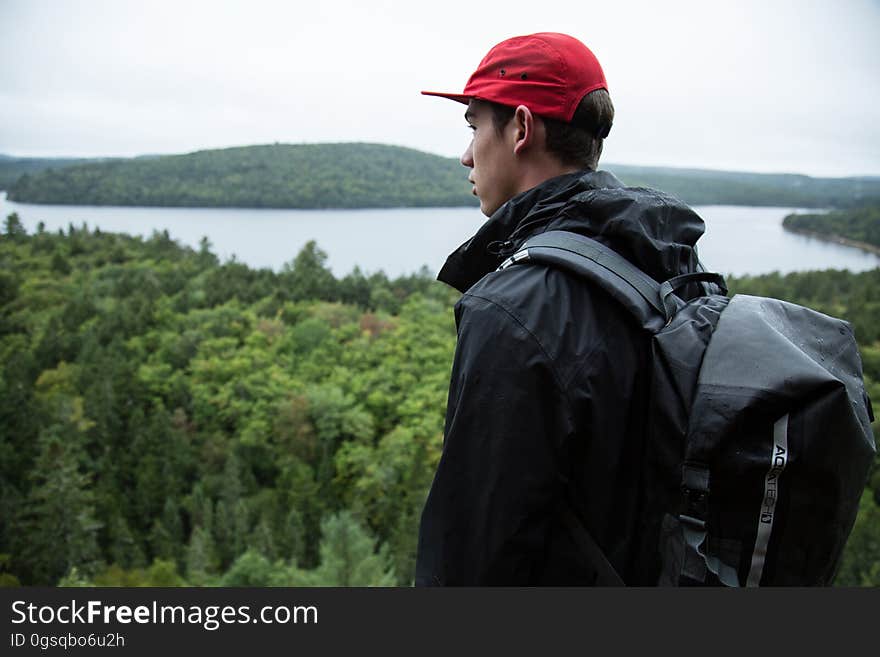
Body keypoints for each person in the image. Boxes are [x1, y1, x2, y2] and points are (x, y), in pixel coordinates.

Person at [415, 32, 708, 585]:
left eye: (475, 126)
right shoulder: (668, 263)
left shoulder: (512, 310)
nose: (465, 153)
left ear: (522, 128)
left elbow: (471, 555)